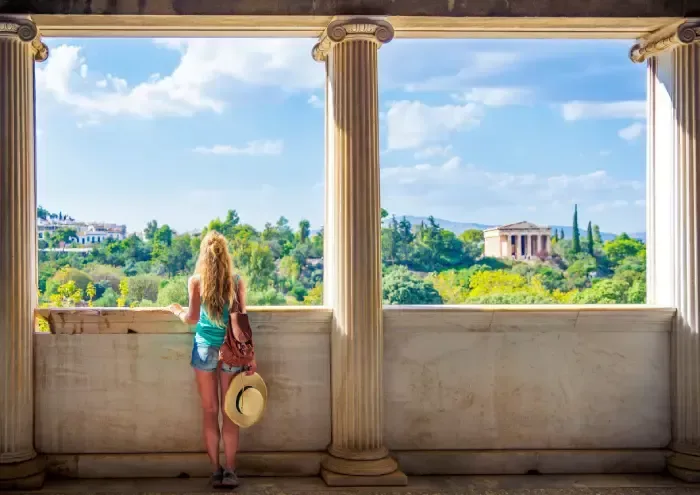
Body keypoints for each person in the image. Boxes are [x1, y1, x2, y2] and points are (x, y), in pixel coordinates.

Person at [168, 231, 257, 489]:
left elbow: (193, 318)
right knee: (230, 413)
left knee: (209, 412)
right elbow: (242, 323)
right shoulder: (236, 281)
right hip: (231, 350)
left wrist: (177, 312)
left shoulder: (196, 281)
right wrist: (251, 355)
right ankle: (230, 471)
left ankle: (215, 471)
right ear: (226, 255)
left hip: (205, 347)